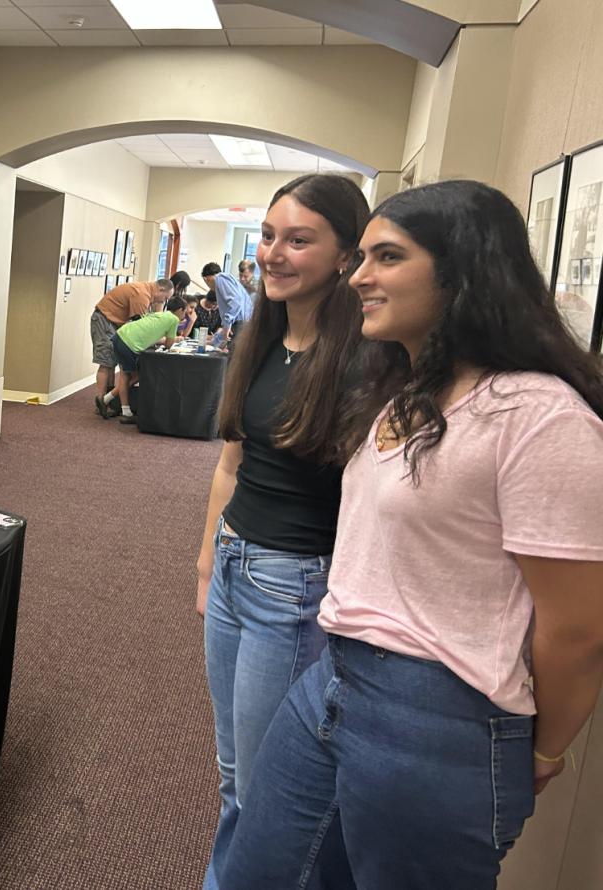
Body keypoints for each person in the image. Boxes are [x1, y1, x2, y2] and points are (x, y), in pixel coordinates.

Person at [220, 180, 603, 889]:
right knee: (257, 872)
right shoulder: (400, 387)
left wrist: (541, 754)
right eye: (360, 256)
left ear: (464, 270)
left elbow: (578, 628)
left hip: (440, 713)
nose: (359, 275)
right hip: (333, 678)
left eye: (386, 256)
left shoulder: (539, 416)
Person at [196, 174, 406, 890]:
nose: (273, 254)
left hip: (295, 589)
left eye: (299, 240)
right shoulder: (262, 338)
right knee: (232, 779)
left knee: (270, 795)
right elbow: (232, 461)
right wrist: (205, 566)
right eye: (267, 236)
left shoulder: (370, 362)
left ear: (346, 257)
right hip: (232, 570)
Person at [98, 295, 189, 424]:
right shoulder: (174, 319)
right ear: (180, 310)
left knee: (127, 376)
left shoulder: (159, 314)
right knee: (129, 377)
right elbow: (169, 345)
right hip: (129, 343)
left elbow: (146, 329)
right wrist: (176, 330)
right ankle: (123, 411)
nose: (184, 316)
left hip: (120, 335)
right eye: (184, 312)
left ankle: (109, 401)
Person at [91, 278, 173, 414]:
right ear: (161, 290)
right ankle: (100, 403)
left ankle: (110, 401)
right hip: (104, 320)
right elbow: (141, 328)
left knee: (112, 362)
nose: (163, 302)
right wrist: (161, 340)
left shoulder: (147, 291)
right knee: (106, 362)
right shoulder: (142, 295)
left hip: (114, 323)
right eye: (165, 298)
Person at [202, 261, 253, 344]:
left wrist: (227, 326)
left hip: (241, 325)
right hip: (243, 324)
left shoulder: (220, 278)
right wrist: (213, 342)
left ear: (205, 279)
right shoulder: (227, 280)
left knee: (234, 355)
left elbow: (235, 302)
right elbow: (229, 328)